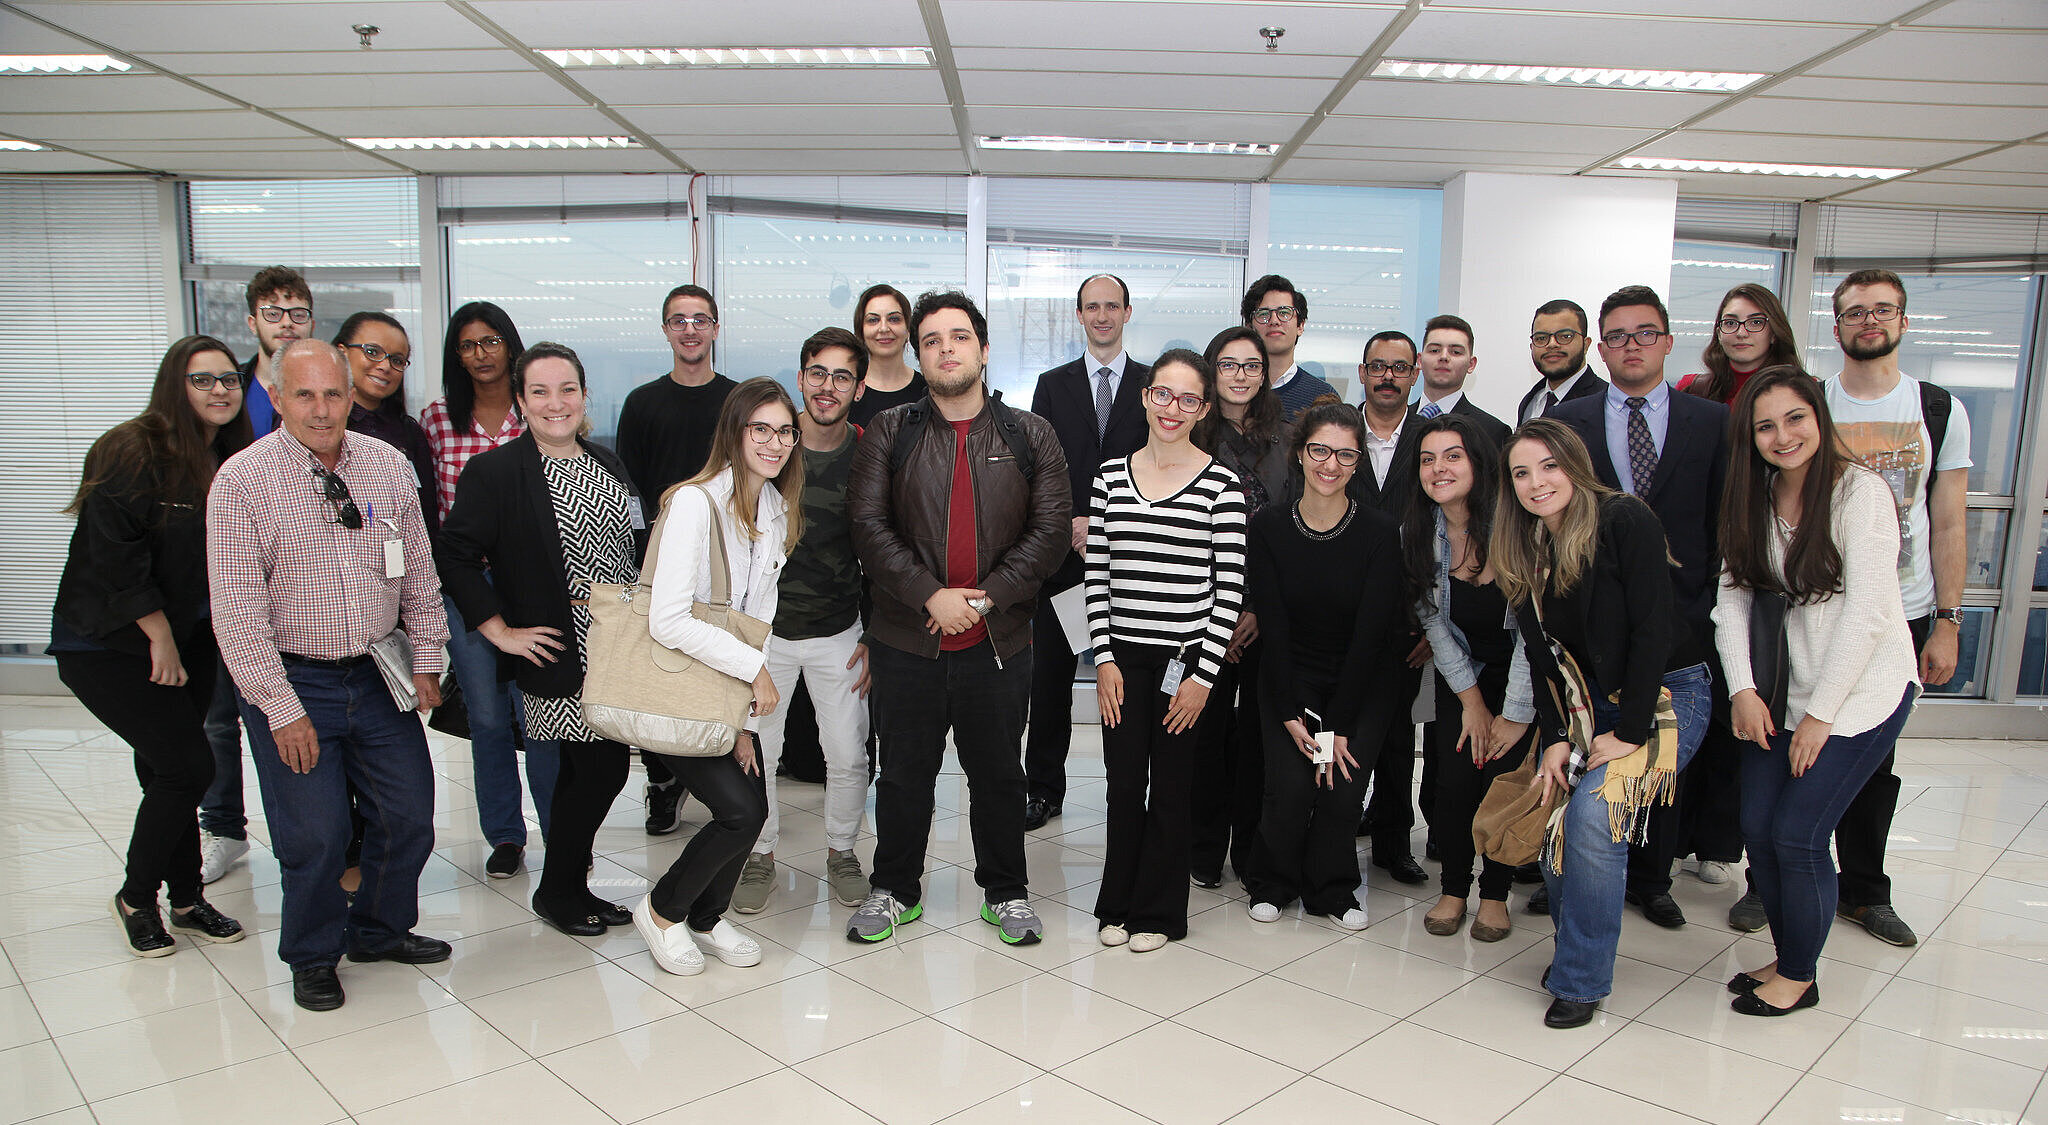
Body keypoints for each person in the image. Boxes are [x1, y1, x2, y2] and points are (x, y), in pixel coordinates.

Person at [208, 339, 450, 1013]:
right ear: (278, 398)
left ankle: (377, 929)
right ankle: (312, 954)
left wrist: (427, 657)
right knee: (313, 835)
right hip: (292, 678)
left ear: (351, 395)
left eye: (332, 393)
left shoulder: (388, 466)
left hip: (377, 670)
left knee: (407, 816)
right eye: (304, 394)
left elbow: (418, 574)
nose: (321, 409)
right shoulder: (242, 481)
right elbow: (236, 611)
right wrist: (278, 706)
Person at [845, 290, 1069, 946]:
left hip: (999, 638)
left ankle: (1007, 891)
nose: (947, 347)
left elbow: (1051, 531)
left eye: (960, 336)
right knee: (903, 771)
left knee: (1000, 773)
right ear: (919, 355)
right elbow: (865, 524)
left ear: (984, 348)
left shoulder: (1030, 434)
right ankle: (894, 889)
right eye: (933, 339)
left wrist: (986, 596)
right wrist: (928, 594)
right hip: (904, 637)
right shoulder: (891, 430)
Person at [1713, 367, 1920, 1016]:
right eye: (1766, 424)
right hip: (1780, 690)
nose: (1782, 435)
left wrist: (1821, 716)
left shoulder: (1860, 492)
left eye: (1794, 417)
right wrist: (1743, 689)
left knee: (1800, 833)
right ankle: (1789, 949)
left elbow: (1869, 615)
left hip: (1861, 694)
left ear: (1820, 417)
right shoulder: (1756, 495)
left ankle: (1799, 975)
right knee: (1759, 828)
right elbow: (1732, 598)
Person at [1496, 419, 1713, 1029]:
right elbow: (1543, 659)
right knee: (1563, 812)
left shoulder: (1624, 520)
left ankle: (1582, 980)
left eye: (1548, 466)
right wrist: (1557, 738)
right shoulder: (1525, 545)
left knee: (1592, 816)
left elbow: (1652, 629)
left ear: (1575, 464)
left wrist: (1633, 728)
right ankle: (1576, 956)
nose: (1536, 483)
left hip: (1667, 695)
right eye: (1521, 473)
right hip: (1585, 707)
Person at [51, 335, 253, 957]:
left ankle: (187, 898)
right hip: (108, 642)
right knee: (188, 765)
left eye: (228, 378)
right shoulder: (132, 447)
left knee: (166, 769)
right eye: (203, 380)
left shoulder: (230, 454)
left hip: (188, 636)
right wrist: (158, 637)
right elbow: (116, 555)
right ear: (175, 385)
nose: (220, 389)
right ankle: (137, 897)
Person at [438, 342, 647, 937]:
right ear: (521, 401)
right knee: (596, 770)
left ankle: (568, 885)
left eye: (567, 390)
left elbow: (632, 540)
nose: (555, 404)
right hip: (555, 647)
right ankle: (559, 889)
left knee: (596, 772)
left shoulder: (608, 462)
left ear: (584, 396)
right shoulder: (496, 472)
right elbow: (453, 554)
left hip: (614, 644)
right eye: (540, 392)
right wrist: (497, 631)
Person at [1548, 285, 1729, 931]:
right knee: (1592, 791)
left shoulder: (1712, 423)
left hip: (1677, 635)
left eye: (1644, 333)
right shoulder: (1573, 422)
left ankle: (1652, 881)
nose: (1631, 345)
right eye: (1618, 335)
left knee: (1655, 775)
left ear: (1668, 340)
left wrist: (1700, 612)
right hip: (1594, 643)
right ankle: (1581, 880)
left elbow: (1720, 527)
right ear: (1601, 347)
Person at [1818, 268, 1970, 949]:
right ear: (1837, 325)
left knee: (1874, 755)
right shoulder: (1813, 404)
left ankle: (1864, 890)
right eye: (1855, 312)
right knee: (1792, 740)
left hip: (1898, 613)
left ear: (1903, 323)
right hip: (1814, 607)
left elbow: (1950, 522)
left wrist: (1948, 618)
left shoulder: (1938, 409)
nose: (1868, 322)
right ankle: (1771, 880)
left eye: (1882, 311)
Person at [636, 378, 800, 976]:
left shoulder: (776, 509)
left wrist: (740, 720)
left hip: (724, 690)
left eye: (785, 431)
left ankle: (705, 919)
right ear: (734, 432)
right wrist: (754, 671)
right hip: (681, 683)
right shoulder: (693, 503)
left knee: (750, 800)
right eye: (761, 428)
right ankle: (660, 911)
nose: (775, 442)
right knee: (740, 811)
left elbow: (754, 619)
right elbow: (668, 618)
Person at [1086, 349, 1247, 951]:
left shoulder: (1222, 486)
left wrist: (1203, 678)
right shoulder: (1108, 477)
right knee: (1124, 785)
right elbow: (1096, 576)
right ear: (1145, 398)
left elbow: (1228, 589)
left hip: (1188, 664)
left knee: (1173, 788)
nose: (1172, 408)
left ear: (1203, 408)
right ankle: (1117, 905)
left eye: (1187, 399)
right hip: (1122, 662)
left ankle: (1159, 913)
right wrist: (1102, 660)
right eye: (1162, 394)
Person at [1243, 397, 1402, 929]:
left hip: (1364, 679)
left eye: (1345, 455)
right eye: (1319, 451)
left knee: (1341, 787)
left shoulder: (1380, 533)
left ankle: (1332, 888)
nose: (1330, 465)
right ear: (1300, 454)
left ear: (1359, 462)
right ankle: (1273, 881)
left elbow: (1371, 636)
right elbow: (1275, 627)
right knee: (1287, 789)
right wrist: (1287, 706)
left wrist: (1338, 725)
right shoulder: (1268, 527)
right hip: (1291, 672)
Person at [733, 328, 876, 915]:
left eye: (843, 376)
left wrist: (877, 634)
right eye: (818, 372)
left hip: (840, 630)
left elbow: (889, 546)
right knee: (755, 753)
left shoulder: (871, 453)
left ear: (859, 388)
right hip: (764, 635)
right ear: (800, 378)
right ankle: (757, 853)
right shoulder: (770, 442)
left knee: (846, 754)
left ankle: (842, 851)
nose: (828, 386)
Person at [1675, 284, 1802, 914]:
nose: (1741, 331)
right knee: (1700, 707)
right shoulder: (1697, 391)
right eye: (1730, 321)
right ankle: (1686, 838)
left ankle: (1737, 854)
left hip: (1769, 570)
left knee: (1749, 714)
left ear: (1774, 328)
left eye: (1754, 321)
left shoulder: (1797, 396)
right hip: (1708, 566)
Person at [420, 301, 554, 880]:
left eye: (491, 340)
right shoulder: (436, 420)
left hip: (530, 584)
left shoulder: (537, 414)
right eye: (468, 344)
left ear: (510, 345)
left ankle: (560, 831)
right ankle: (505, 835)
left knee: (543, 715)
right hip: (466, 584)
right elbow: (424, 508)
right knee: (489, 719)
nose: (481, 353)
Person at [198, 266, 316, 884]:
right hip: (239, 572)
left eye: (297, 312)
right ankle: (222, 825)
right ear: (253, 322)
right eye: (275, 313)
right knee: (225, 710)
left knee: (295, 720)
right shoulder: (231, 391)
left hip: (311, 584)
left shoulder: (325, 381)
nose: (288, 323)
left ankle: (313, 835)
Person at [1025, 274, 1153, 834]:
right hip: (1061, 559)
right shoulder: (1052, 386)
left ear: (1128, 312)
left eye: (1112, 306)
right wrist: (1072, 522)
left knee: (1125, 680)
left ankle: (1127, 791)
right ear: (1079, 315)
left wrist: (1102, 521)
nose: (1102, 316)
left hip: (1133, 557)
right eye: (1091, 307)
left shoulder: (1155, 386)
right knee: (1049, 681)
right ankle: (1044, 789)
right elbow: (1038, 467)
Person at [1402, 413, 1534, 942]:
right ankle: (1454, 889)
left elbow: (1534, 632)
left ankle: (1496, 895)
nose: (1439, 469)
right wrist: (1473, 704)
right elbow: (1433, 620)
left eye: (1453, 456)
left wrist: (1513, 714)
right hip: (1464, 675)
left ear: (1479, 462)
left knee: (1503, 784)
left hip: (1525, 674)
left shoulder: (1518, 524)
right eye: (1428, 459)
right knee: (1453, 782)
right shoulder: (1420, 531)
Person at [616, 283, 738, 837]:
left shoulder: (737, 403)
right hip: (662, 558)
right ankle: (662, 782)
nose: (690, 329)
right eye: (678, 320)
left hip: (727, 555)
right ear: (665, 330)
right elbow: (627, 489)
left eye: (700, 319)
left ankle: (715, 774)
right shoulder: (643, 403)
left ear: (716, 328)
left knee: (716, 668)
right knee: (663, 670)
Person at [1188, 326, 1288, 887]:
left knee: (1258, 741)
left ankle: (1252, 852)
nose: (1241, 375)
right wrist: (1219, 614)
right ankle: (1201, 851)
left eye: (1251, 365)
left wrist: (1254, 610)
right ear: (1211, 371)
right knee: (1203, 740)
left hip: (1266, 614)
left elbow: (1291, 536)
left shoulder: (1289, 438)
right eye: (1228, 365)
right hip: (1200, 611)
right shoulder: (1188, 435)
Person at [1352, 330, 1429, 888]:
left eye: (1399, 368)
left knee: (1400, 737)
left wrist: (1432, 620)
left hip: (1407, 616)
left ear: (1415, 374)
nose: (1387, 376)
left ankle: (1392, 841)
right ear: (1362, 372)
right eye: (1378, 366)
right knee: (1338, 725)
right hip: (1340, 612)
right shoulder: (1334, 433)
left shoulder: (1435, 439)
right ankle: (1329, 827)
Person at [336, 312, 438, 534]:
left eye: (397, 360)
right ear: (341, 352)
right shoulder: (325, 428)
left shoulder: (410, 433)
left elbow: (426, 514)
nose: (385, 366)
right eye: (372, 352)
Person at [1242, 274, 1337, 420]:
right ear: (1249, 327)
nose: (1274, 321)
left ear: (1300, 325)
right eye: (1263, 314)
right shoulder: (1235, 388)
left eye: (1284, 313)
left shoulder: (1322, 396)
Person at [1416, 314, 1511, 450]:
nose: (1443, 357)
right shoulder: (1397, 421)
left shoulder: (1492, 431)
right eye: (1435, 350)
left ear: (1471, 364)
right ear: (1419, 360)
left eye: (1455, 352)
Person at [1517, 299, 1608, 424]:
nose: (1552, 344)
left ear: (1586, 344)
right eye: (1541, 338)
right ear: (1532, 346)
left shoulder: (1605, 402)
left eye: (1565, 336)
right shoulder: (1531, 401)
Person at [849, 283, 927, 426]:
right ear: (860, 331)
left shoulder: (927, 392)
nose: (884, 328)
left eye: (894, 319)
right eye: (873, 320)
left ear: (908, 329)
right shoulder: (847, 390)